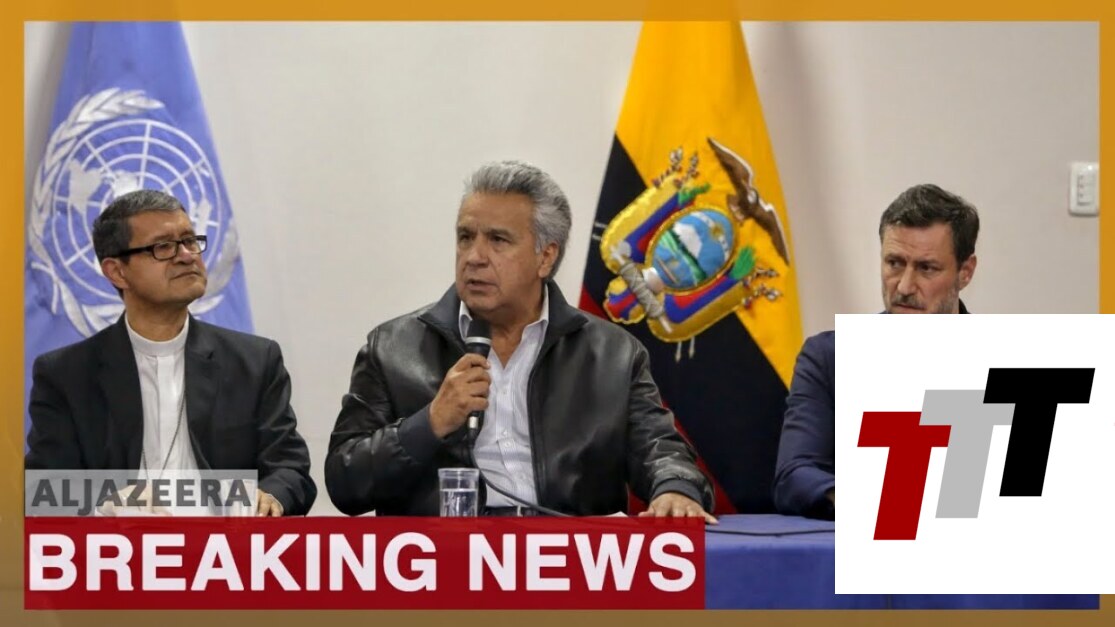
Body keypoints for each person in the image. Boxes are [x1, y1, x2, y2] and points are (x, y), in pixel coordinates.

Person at [326, 160, 715, 519]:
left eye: (498, 240)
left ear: (545, 258)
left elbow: (661, 450)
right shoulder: (394, 348)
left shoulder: (613, 355)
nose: (474, 256)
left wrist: (675, 488)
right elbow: (345, 483)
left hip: (567, 557)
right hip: (447, 558)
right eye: (465, 237)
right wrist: (428, 424)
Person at [25, 189, 316, 516]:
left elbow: (290, 469)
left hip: (227, 542)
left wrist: (270, 496)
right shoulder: (67, 374)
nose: (187, 256)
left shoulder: (254, 362)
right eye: (163, 246)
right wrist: (107, 504)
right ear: (117, 271)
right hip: (119, 543)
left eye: (190, 241)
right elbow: (43, 487)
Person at [773, 183, 979, 519]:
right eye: (894, 263)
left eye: (927, 268)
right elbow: (794, 475)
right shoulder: (829, 358)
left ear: (965, 272)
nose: (905, 286)